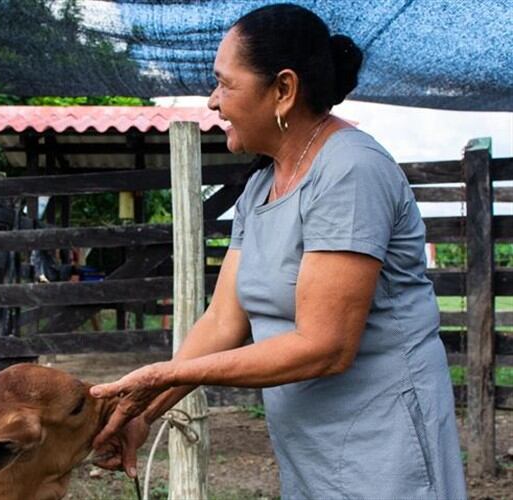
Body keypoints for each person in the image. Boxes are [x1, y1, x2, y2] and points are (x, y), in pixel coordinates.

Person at [89, 4, 466, 498]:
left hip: (384, 443)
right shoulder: (261, 186)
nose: (212, 101)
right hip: (312, 444)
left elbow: (324, 345)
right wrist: (142, 412)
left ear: (283, 90)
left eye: (226, 84)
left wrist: (166, 374)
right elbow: (224, 320)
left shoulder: (350, 170)